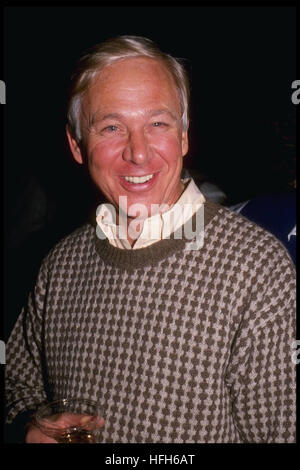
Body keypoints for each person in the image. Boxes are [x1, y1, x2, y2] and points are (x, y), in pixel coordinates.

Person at [5, 36, 296, 443]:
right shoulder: (59, 264)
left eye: (158, 123)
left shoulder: (257, 268)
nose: (138, 153)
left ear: (184, 135)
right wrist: (29, 427)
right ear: (77, 145)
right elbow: (16, 381)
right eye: (111, 127)